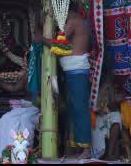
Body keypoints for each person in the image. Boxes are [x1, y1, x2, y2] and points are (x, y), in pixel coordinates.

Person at [51, 8, 93, 158]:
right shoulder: (77, 21)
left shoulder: (73, 22)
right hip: (73, 72)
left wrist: (41, 39)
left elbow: (58, 46)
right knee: (73, 110)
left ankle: (86, 149)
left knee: (79, 109)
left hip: (77, 72)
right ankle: (76, 147)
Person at [92, 81, 123, 160]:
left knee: (117, 118)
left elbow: (114, 106)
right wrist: (99, 109)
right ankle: (100, 153)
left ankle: (110, 153)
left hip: (110, 114)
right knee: (96, 124)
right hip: (97, 116)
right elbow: (93, 107)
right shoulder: (94, 87)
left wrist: (113, 100)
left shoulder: (114, 88)